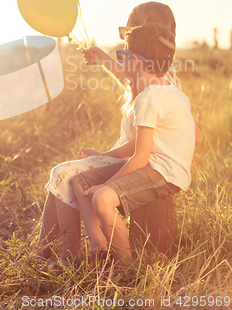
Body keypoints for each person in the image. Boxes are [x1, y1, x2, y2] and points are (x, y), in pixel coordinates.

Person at [35, 2, 201, 266]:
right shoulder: (155, 73)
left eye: (128, 32)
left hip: (141, 160)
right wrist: (103, 57)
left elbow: (159, 145)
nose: (124, 40)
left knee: (64, 174)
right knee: (68, 176)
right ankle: (67, 251)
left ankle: (71, 253)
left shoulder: (160, 86)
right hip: (133, 154)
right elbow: (128, 75)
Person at [73, 23, 196, 266]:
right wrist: (103, 155)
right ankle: (101, 249)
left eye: (123, 54)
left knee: (102, 198)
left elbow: (140, 157)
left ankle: (126, 266)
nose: (121, 60)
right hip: (152, 164)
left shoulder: (149, 97)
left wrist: (105, 185)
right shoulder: (163, 91)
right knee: (81, 180)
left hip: (165, 173)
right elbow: (138, 146)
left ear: (136, 62)